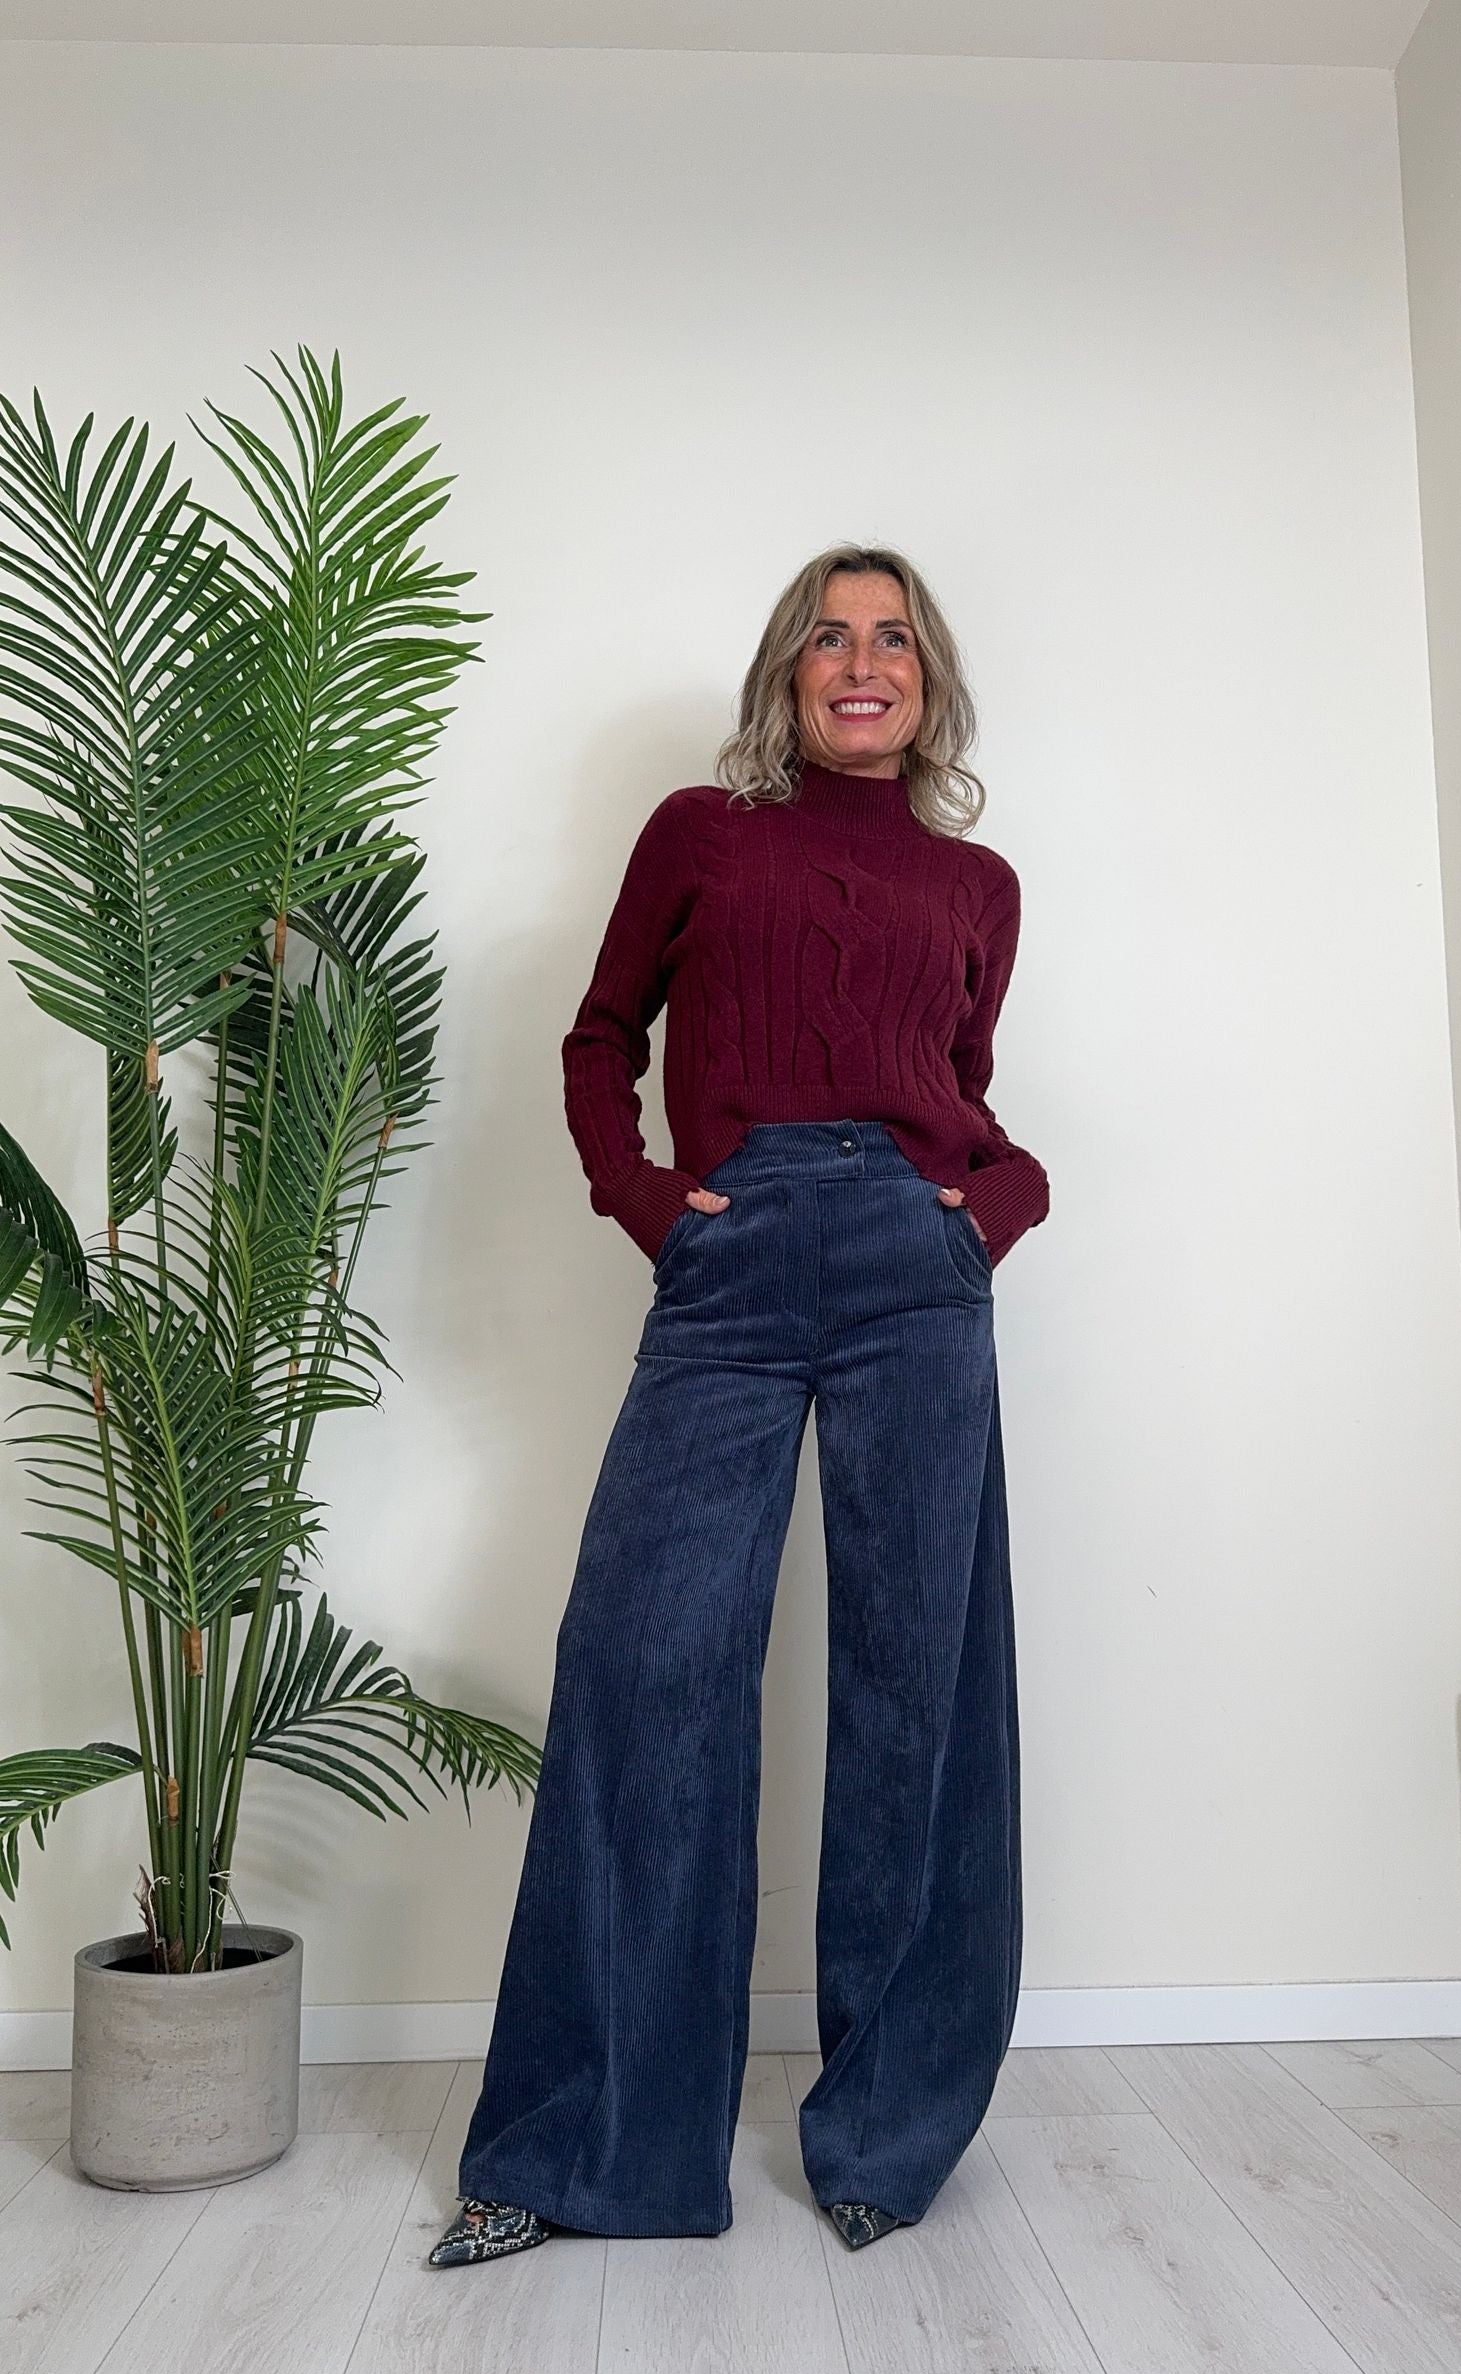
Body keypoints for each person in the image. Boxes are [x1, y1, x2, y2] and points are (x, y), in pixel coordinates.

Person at [431, 543, 1050, 2267]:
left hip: (918, 1272)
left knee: (921, 1691)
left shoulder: (979, 884)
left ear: (929, 682)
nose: (863, 663)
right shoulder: (702, 835)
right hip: (733, 1256)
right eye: (829, 638)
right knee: (646, 1664)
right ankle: (589, 2149)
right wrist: (646, 1202)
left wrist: (991, 1208)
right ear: (788, 673)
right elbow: (597, 1036)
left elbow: (962, 1094)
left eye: (894, 640)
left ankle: (886, 2135)